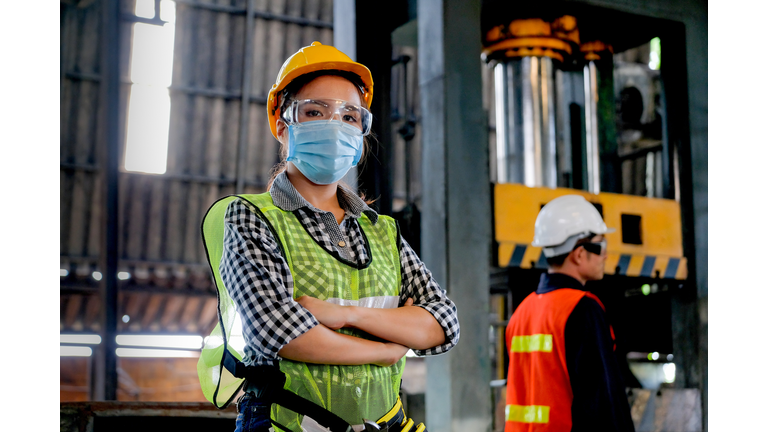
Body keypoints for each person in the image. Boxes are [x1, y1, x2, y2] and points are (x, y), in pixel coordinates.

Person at [197, 42, 460, 432]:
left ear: (361, 136)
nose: (335, 125)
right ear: (284, 128)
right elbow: (282, 333)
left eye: (350, 116)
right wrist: (387, 349)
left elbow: (443, 323)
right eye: (316, 111)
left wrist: (345, 315)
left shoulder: (381, 230)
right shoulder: (252, 217)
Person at [503, 195, 635, 432]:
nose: (605, 255)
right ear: (579, 253)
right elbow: (605, 401)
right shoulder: (582, 309)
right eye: (601, 245)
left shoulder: (521, 313)